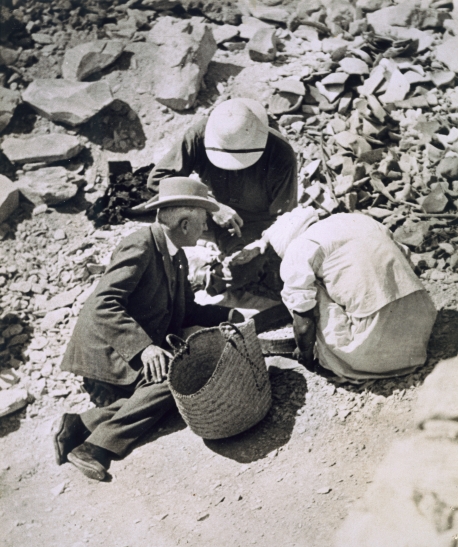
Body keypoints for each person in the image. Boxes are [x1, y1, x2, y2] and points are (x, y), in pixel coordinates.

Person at [55, 177, 243, 481]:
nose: (206, 228)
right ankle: (94, 447)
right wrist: (144, 348)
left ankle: (80, 424)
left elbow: (187, 311)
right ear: (184, 224)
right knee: (176, 382)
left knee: (179, 394)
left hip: (125, 355)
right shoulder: (140, 243)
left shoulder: (176, 257)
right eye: (203, 221)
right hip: (107, 357)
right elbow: (102, 303)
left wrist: (231, 313)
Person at [233, 207, 437, 382]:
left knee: (305, 295)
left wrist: (306, 356)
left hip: (376, 348)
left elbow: (304, 327)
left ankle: (344, 356)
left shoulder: (299, 248)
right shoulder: (356, 219)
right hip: (422, 325)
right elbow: (408, 263)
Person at [145, 97, 298, 295]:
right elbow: (157, 180)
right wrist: (211, 205)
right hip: (205, 212)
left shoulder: (281, 153)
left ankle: (204, 278)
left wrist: (259, 246)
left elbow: (286, 220)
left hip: (252, 226)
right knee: (164, 218)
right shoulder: (202, 133)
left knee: (255, 267)